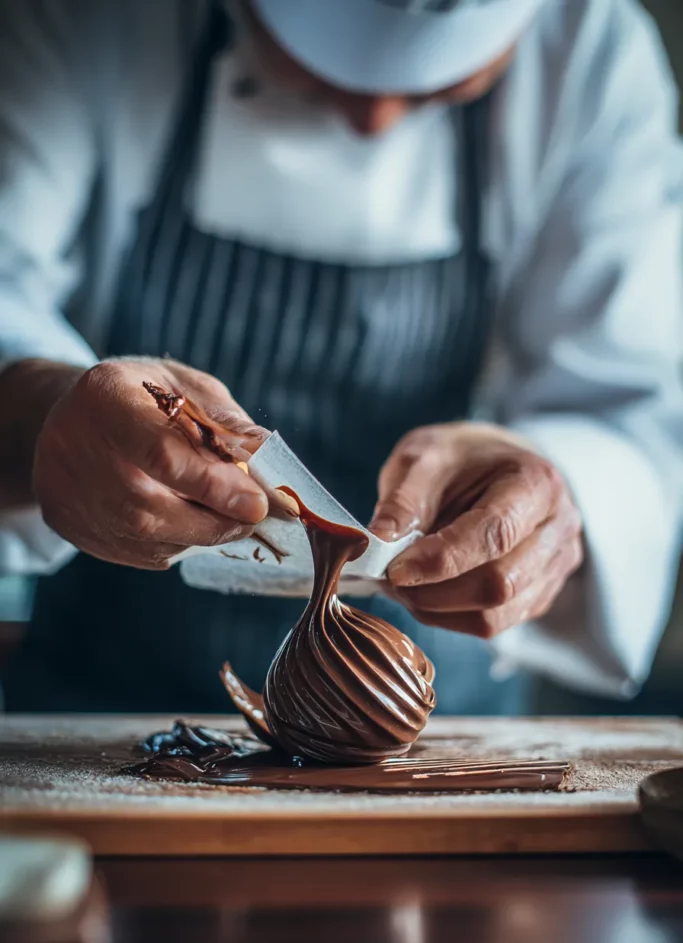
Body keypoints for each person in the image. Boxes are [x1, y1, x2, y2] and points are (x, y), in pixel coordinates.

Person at [0, 0, 681, 714]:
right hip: (101, 701)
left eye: (440, 87)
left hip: (434, 719)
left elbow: (620, 408)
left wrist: (550, 494)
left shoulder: (587, 53)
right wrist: (42, 415)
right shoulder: (89, 18)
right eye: (313, 72)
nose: (373, 120)